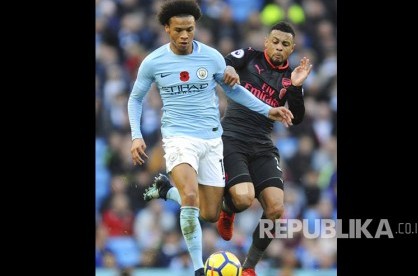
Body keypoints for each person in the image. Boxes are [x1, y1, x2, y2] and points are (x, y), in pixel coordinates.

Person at [127, 1, 294, 275]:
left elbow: (236, 92)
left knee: (209, 213)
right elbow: (135, 99)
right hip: (178, 137)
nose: (184, 35)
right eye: (178, 29)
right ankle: (198, 268)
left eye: (190, 29)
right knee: (191, 195)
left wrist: (268, 110)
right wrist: (136, 136)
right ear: (167, 28)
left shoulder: (212, 57)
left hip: (212, 139)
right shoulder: (154, 61)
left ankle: (166, 191)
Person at [217, 22, 313, 276]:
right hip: (232, 137)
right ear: (266, 42)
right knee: (244, 198)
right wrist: (228, 68)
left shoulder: (290, 78)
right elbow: (223, 63)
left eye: (285, 44)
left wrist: (295, 88)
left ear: (291, 49)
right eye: (275, 42)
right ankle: (227, 211)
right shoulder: (249, 56)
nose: (279, 48)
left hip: (262, 144)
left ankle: (248, 268)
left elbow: (298, 117)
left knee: (276, 209)